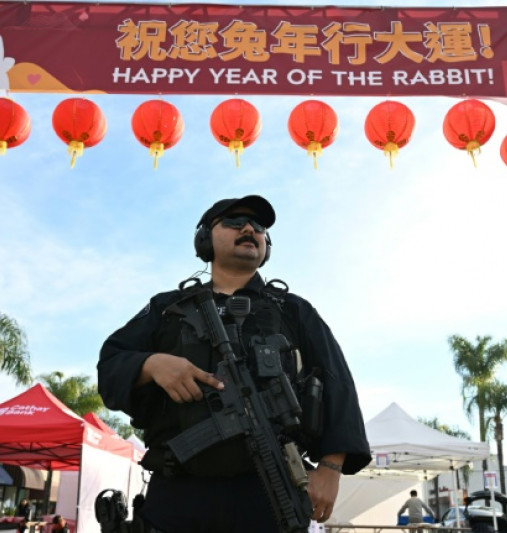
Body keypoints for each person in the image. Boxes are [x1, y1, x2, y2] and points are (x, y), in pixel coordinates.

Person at [99, 195, 371, 533]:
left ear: (266, 244)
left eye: (258, 226)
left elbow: (337, 382)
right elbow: (111, 363)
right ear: (204, 238)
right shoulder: (167, 309)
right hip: (180, 495)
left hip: (268, 494)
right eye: (233, 222)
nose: (248, 229)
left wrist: (330, 467)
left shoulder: (293, 311)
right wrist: (151, 364)